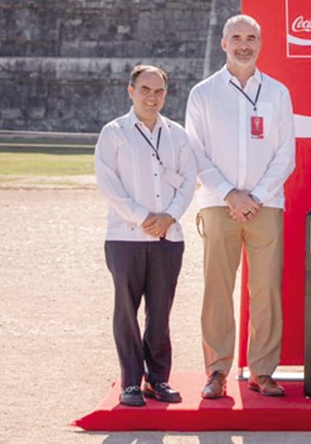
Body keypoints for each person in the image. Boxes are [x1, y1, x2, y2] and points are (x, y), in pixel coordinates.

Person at [185, 15, 296, 399]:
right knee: (217, 288)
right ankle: (217, 370)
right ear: (224, 43)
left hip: (267, 205)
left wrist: (257, 196)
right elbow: (195, 151)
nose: (244, 45)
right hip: (219, 204)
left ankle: (262, 371)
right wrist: (231, 195)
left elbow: (286, 154)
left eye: (251, 38)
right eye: (236, 38)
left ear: (260, 43)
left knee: (266, 289)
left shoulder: (277, 93)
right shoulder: (203, 93)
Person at [94, 64, 197, 407]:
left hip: (169, 237)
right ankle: (130, 383)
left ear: (166, 94)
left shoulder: (177, 135)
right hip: (125, 237)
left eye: (159, 91)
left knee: (161, 312)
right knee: (126, 311)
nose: (152, 97)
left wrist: (169, 217)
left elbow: (188, 181)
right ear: (131, 91)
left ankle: (158, 379)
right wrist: (143, 218)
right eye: (145, 90)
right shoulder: (114, 133)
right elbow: (109, 185)